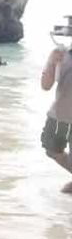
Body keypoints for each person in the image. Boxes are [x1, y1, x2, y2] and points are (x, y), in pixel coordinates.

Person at [40, 46, 72, 193]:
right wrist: (52, 62)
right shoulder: (61, 53)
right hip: (59, 115)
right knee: (51, 149)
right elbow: (45, 86)